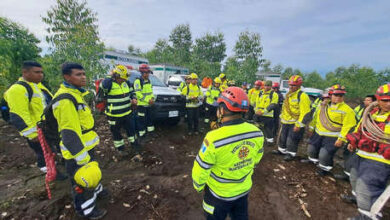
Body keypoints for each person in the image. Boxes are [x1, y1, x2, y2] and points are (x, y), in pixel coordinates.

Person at [192, 87, 264, 219]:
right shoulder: (257, 132)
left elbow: (201, 167)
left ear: (222, 110)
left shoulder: (213, 138)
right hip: (243, 190)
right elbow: (256, 158)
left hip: (218, 195)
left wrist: (198, 185)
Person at [52, 62, 107, 219]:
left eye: (83, 74)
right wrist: (81, 156)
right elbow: (69, 133)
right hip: (77, 151)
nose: (83, 77)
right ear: (67, 77)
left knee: (92, 174)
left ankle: (97, 190)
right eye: (78, 75)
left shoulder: (76, 94)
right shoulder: (65, 100)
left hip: (86, 146)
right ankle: (86, 210)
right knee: (81, 182)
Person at [4, 61, 66, 179]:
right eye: (37, 72)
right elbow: (18, 115)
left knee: (52, 149)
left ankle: (55, 165)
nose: (40, 75)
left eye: (41, 72)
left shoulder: (38, 86)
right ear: (25, 72)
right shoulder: (17, 90)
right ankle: (51, 172)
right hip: (37, 130)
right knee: (44, 153)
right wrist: (32, 134)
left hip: (47, 126)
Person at [344, 83, 390, 220]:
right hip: (362, 154)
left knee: (367, 189)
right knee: (354, 178)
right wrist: (353, 141)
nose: (388, 104)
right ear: (378, 100)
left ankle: (369, 216)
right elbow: (361, 129)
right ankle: (361, 203)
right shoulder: (371, 113)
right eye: (385, 100)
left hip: (380, 161)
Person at [303, 84, 356, 176]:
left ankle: (325, 168)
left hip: (333, 137)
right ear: (330, 95)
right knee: (311, 149)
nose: (338, 98)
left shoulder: (348, 110)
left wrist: (341, 139)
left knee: (324, 154)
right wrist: (311, 128)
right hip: (318, 133)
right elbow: (316, 118)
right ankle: (313, 161)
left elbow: (348, 126)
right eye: (336, 95)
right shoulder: (323, 106)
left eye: (341, 96)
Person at [99, 65, 138, 156]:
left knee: (131, 130)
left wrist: (134, 99)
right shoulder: (108, 84)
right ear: (116, 76)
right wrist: (110, 75)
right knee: (116, 132)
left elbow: (132, 93)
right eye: (122, 78)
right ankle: (121, 149)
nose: (124, 80)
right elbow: (102, 90)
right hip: (114, 115)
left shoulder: (127, 83)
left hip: (127, 113)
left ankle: (135, 145)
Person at [273, 75, 311, 161]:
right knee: (283, 137)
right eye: (290, 85)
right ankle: (282, 150)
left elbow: (306, 112)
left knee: (292, 139)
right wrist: (282, 117)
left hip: (295, 122)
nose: (291, 87)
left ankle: (290, 153)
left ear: (299, 86)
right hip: (285, 121)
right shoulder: (288, 95)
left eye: (293, 85)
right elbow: (285, 107)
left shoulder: (302, 96)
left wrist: (299, 125)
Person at [254, 80, 279, 145]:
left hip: (268, 115)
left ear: (271, 86)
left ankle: (270, 142)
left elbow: (273, 105)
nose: (266, 87)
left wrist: (263, 112)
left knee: (268, 129)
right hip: (258, 114)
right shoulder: (260, 93)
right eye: (265, 85)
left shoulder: (274, 94)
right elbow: (256, 103)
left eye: (268, 86)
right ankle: (259, 140)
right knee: (258, 128)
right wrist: (256, 111)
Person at [134, 64, 155, 139]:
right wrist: (147, 100)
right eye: (146, 73)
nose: (148, 74)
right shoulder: (138, 81)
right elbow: (138, 94)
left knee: (150, 119)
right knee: (141, 121)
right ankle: (142, 135)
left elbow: (151, 92)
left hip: (149, 105)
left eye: (148, 73)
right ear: (142, 73)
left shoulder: (149, 81)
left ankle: (150, 133)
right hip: (141, 105)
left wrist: (152, 98)